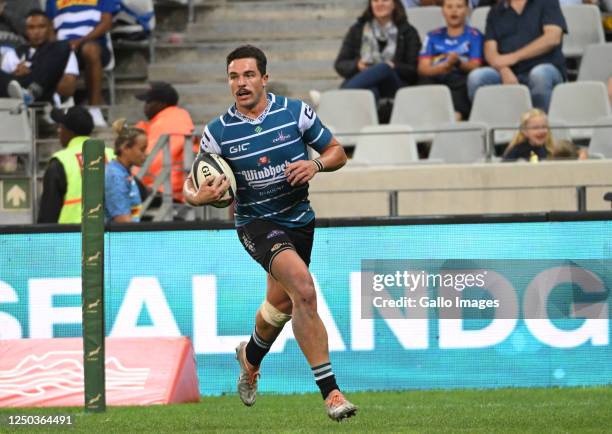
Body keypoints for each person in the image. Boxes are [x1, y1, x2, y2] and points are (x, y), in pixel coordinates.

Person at [183, 45, 356, 421]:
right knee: (304, 291)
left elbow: (338, 152)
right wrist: (200, 198)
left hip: (299, 219)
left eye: (248, 75)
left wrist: (315, 165)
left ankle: (250, 359)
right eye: (233, 76)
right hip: (256, 224)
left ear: (264, 77)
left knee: (277, 308)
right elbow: (190, 185)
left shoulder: (295, 113)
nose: (240, 83)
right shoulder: (217, 132)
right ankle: (332, 393)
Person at [467, 0, 567, 112]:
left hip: (546, 68)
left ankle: (539, 124)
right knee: (477, 78)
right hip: (509, 72)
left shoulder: (546, 2)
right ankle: (496, 125)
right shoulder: (495, 12)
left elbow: (553, 38)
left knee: (539, 74)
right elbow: (490, 53)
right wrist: (503, 69)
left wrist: (513, 57)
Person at [45, 0, 117, 127]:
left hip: (93, 42)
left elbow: (106, 22)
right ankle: (59, 110)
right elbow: (49, 26)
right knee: (53, 55)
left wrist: (80, 41)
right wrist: (57, 46)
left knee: (90, 50)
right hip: (63, 45)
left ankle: (95, 109)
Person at [38, 106, 114, 223]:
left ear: (70, 131)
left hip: (72, 236)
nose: (59, 131)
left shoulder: (61, 161)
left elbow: (48, 213)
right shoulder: (111, 155)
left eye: (61, 127)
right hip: (110, 234)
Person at [334, 0, 421, 102]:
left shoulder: (408, 32)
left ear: (394, 4)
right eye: (375, 1)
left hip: (395, 86)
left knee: (384, 67)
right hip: (365, 81)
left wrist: (394, 66)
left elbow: (413, 71)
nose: (380, 4)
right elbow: (340, 64)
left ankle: (335, 99)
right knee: (371, 90)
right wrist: (358, 65)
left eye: (385, 0)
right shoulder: (357, 29)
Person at [417, 0, 483, 119]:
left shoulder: (474, 35)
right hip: (436, 79)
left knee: (463, 83)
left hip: (460, 79)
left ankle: (457, 118)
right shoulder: (432, 36)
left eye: (459, 6)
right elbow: (423, 68)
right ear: (442, 11)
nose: (454, 11)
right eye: (449, 7)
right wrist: (439, 69)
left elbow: (475, 65)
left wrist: (457, 63)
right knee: (423, 82)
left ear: (467, 10)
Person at [134, 81, 195, 203]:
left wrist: (130, 180)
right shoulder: (168, 119)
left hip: (164, 189)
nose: (145, 107)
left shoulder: (169, 121)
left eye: (148, 102)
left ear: (162, 104)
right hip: (164, 187)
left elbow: (154, 161)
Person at [0, 9, 77, 104]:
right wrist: (15, 74)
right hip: (17, 98)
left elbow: (68, 89)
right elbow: (5, 84)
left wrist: (30, 72)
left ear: (49, 27)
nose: (36, 32)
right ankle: (25, 93)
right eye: (31, 28)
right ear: (25, 30)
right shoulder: (12, 54)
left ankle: (30, 92)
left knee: (64, 46)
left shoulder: (59, 51)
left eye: (41, 27)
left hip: (44, 95)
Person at [105, 119, 147, 222]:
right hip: (121, 236)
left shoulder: (124, 173)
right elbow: (122, 220)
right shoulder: (115, 177)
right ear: (125, 148)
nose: (145, 155)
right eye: (142, 150)